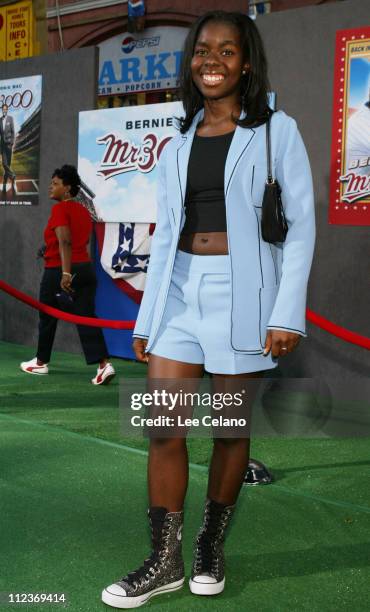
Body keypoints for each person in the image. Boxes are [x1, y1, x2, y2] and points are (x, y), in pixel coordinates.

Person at [102, 10, 315, 608]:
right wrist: (148, 319)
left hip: (243, 298)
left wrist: (286, 312)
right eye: (201, 51)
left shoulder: (277, 132)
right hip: (177, 295)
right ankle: (164, 560)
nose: (211, 61)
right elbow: (167, 233)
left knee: (228, 429)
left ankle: (210, 546)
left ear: (246, 63)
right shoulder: (176, 143)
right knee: (163, 427)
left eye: (226, 51)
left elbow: (298, 230)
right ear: (189, 62)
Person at [20, 164, 115, 385]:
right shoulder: (83, 210)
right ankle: (104, 365)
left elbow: (65, 240)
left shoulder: (60, 209)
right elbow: (77, 240)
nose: (50, 187)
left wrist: (64, 272)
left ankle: (41, 363)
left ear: (68, 188)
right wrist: (48, 248)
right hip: (86, 271)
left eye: (55, 184)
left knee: (47, 316)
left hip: (59, 272)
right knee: (86, 318)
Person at [0, 103, 16, 194]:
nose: (4, 110)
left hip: (9, 146)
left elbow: (13, 132)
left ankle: (5, 185)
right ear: (2, 110)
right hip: (2, 147)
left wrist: (12, 143)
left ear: (7, 110)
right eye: (3, 109)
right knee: (4, 164)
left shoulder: (10, 118)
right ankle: (13, 176)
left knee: (7, 167)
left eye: (6, 109)